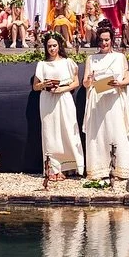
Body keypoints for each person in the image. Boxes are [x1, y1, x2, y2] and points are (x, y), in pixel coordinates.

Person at [33, 32, 84, 180]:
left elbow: (76, 82)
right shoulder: (42, 64)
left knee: (67, 129)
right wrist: (44, 84)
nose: (52, 49)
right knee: (50, 132)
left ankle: (70, 166)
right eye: (49, 46)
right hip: (48, 99)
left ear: (59, 46)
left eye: (54, 45)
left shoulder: (68, 62)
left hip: (64, 97)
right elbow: (35, 86)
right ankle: (53, 168)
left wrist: (62, 89)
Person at [83, 28, 129, 180]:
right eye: (101, 40)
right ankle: (99, 169)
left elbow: (127, 78)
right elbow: (85, 83)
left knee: (116, 130)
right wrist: (90, 80)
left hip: (114, 98)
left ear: (111, 40)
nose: (104, 43)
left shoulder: (120, 57)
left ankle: (119, 168)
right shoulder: (91, 59)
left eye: (106, 40)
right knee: (98, 134)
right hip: (97, 99)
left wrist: (120, 83)